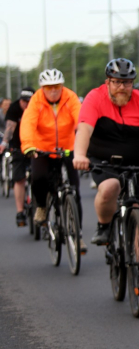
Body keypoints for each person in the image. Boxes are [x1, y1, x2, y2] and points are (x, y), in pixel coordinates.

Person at [73, 58, 139, 293]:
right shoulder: (94, 98)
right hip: (104, 161)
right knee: (110, 186)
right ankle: (104, 225)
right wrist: (80, 155)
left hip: (137, 162)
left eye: (127, 83)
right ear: (108, 82)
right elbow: (85, 129)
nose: (122, 88)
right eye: (117, 82)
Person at [19, 70, 86, 251]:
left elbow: (81, 118)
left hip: (68, 146)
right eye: (49, 88)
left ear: (62, 86)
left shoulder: (70, 97)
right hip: (42, 148)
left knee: (74, 189)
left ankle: (77, 235)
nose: (54, 91)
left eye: (57, 87)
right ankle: (41, 206)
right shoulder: (36, 101)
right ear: (43, 88)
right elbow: (28, 124)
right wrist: (29, 146)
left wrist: (83, 140)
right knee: (38, 177)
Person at [0, 87, 34, 226]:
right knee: (19, 178)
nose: (26, 104)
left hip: (35, 145)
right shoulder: (14, 109)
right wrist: (4, 143)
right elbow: (9, 128)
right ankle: (20, 211)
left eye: (29, 101)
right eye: (23, 101)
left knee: (40, 175)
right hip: (18, 145)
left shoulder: (38, 107)